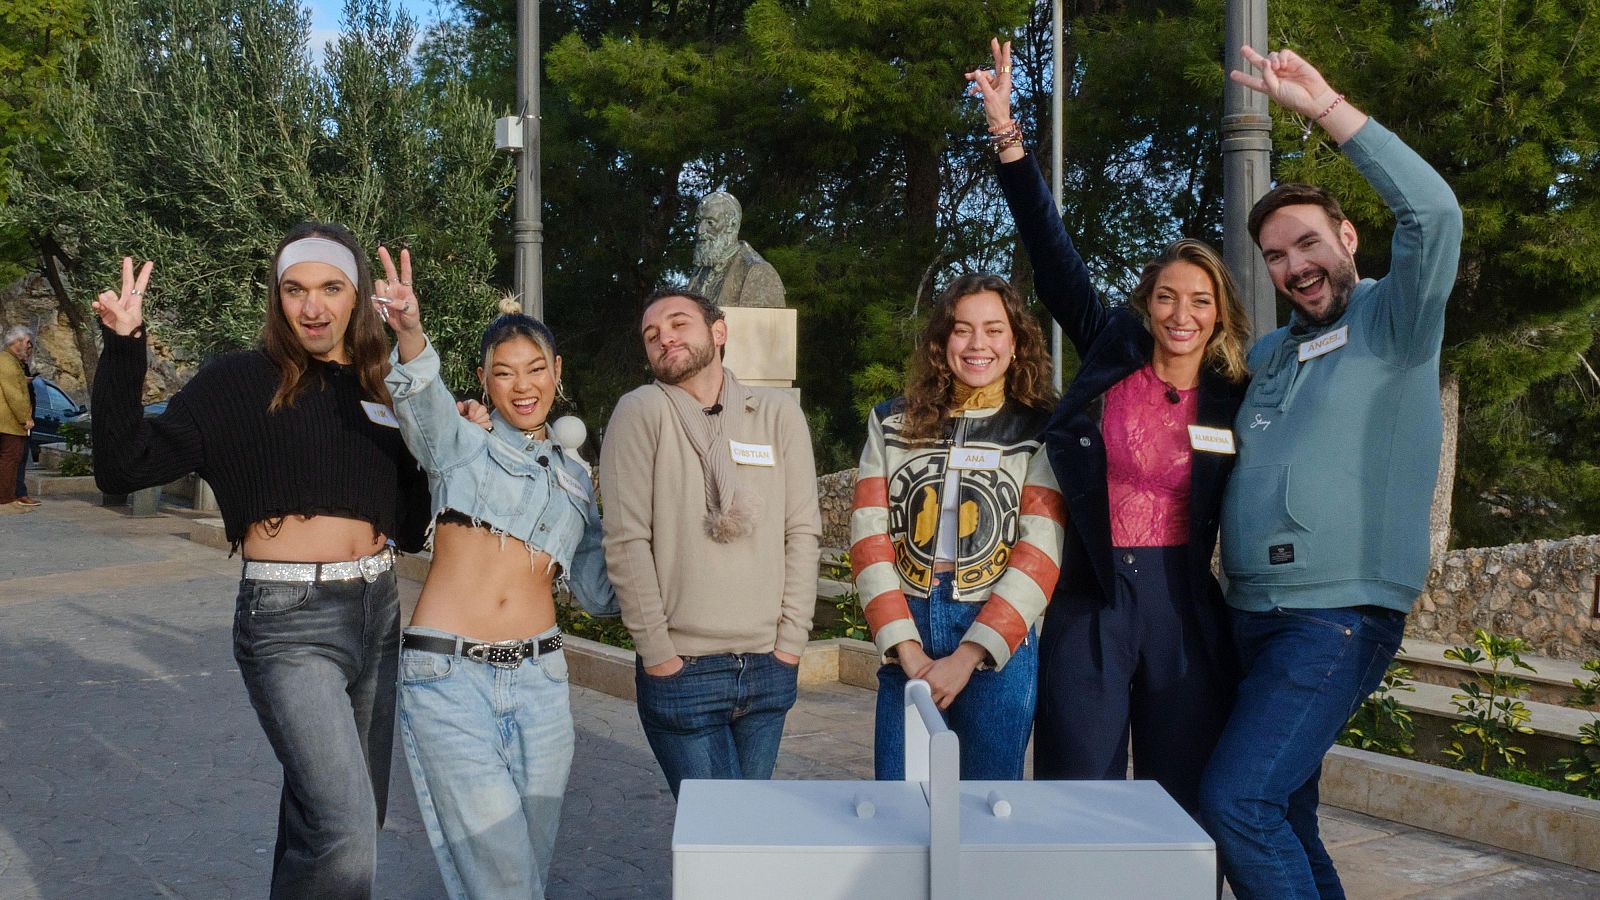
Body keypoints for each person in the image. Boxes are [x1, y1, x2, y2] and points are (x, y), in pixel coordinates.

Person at [90, 226, 431, 899]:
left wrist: (429, 393)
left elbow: (414, 523)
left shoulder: (382, 385)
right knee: (344, 820)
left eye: (331, 288)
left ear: (356, 296)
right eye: (295, 289)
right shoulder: (238, 382)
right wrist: (123, 348)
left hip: (378, 610)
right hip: (288, 621)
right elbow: (123, 464)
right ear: (277, 300)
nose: (313, 307)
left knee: (330, 816)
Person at [1197, 47, 1462, 900]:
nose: (1295, 266)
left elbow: (1434, 212)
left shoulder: (1396, 319)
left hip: (1333, 618)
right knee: (1283, 813)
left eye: (1308, 242)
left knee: (1236, 802)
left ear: (1347, 239)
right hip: (1253, 616)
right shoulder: (1274, 351)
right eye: (1275, 256)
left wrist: (1325, 111)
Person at [967, 40, 1254, 817]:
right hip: (1091, 597)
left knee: (1179, 795)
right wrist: (1009, 138)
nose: (1181, 315)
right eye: (1166, 297)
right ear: (1146, 304)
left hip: (1183, 602)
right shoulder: (1113, 348)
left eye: (1199, 300)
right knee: (1076, 791)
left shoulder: (1238, 393)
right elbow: (1053, 256)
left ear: (1219, 311)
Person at [376, 256, 616, 898]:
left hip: (541, 682)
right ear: (483, 379)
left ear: (556, 373)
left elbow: (598, 592)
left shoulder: (577, 480)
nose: (523, 385)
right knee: (504, 878)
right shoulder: (461, 443)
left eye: (536, 369)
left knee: (523, 875)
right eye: (504, 373)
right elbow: (420, 404)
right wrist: (408, 332)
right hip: (450, 679)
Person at [599, 287, 821, 797]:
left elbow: (802, 532)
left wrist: (790, 645)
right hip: (685, 671)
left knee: (741, 839)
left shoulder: (776, 415)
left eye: (679, 323)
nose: (664, 337)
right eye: (651, 334)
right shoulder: (641, 413)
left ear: (719, 333)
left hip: (768, 667)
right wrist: (659, 655)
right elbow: (627, 542)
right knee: (725, 842)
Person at [849, 272, 1066, 780]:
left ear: (1016, 343)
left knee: (985, 805)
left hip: (996, 629)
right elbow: (868, 535)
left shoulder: (1040, 429)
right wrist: (903, 644)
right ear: (941, 341)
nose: (977, 345)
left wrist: (971, 654)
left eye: (993, 330)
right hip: (910, 620)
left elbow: (1042, 548)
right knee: (903, 800)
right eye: (962, 329)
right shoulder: (891, 422)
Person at [685, 192, 786, 309]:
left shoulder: (759, 272)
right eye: (698, 221)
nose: (700, 230)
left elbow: (766, 325)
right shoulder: (700, 269)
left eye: (710, 222)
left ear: (732, 225)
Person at [4, 326, 39, 507]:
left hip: (18, 421)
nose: (28, 347)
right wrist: (24, 418)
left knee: (17, 457)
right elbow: (13, 394)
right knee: (12, 458)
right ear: (16, 342)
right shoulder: (7, 362)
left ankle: (14, 494)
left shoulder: (17, 363)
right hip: (12, 422)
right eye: (26, 342)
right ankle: (11, 496)